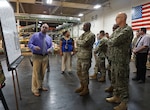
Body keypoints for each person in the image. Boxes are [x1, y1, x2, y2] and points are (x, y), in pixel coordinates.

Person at [106, 12, 133, 110]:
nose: (115, 19)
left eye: (117, 17)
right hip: (114, 60)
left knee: (122, 81)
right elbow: (110, 40)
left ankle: (124, 103)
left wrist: (110, 40)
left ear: (123, 18)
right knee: (115, 80)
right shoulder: (117, 30)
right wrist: (110, 40)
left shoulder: (127, 30)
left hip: (121, 61)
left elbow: (113, 41)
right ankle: (116, 96)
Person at [28, 23, 52, 97]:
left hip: (45, 57)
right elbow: (29, 44)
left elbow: (51, 46)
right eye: (43, 27)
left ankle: (40, 86)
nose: (44, 28)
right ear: (41, 28)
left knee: (42, 73)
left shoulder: (49, 38)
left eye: (46, 27)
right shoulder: (35, 36)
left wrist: (50, 49)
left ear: (48, 29)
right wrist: (34, 47)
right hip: (36, 56)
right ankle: (35, 89)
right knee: (36, 73)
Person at [75, 22, 95, 96]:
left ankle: (86, 88)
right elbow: (80, 42)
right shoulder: (83, 35)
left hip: (86, 57)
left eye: (84, 26)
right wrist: (79, 42)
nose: (83, 27)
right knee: (79, 72)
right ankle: (82, 86)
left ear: (88, 26)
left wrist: (78, 41)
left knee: (84, 73)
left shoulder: (91, 35)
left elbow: (84, 43)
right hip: (80, 57)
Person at [105, 24, 119, 92]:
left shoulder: (119, 37)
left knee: (117, 75)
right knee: (110, 72)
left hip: (117, 59)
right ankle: (112, 85)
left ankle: (116, 89)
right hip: (110, 58)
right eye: (113, 28)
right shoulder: (112, 36)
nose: (113, 30)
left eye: (115, 28)